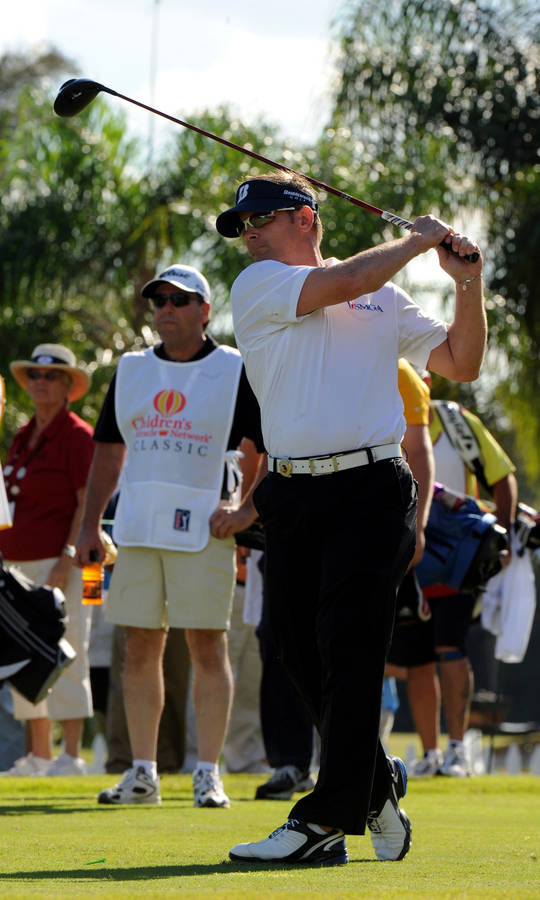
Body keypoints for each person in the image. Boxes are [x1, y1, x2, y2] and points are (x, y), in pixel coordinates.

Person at [215, 171, 485, 865]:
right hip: (295, 492)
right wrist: (419, 240)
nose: (248, 236)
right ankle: (373, 780)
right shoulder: (258, 286)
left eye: (260, 221)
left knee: (351, 647)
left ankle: (325, 819)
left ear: (305, 218)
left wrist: (465, 283)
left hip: (372, 489)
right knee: (292, 646)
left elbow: (461, 361)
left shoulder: (383, 297)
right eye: (242, 227)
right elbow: (337, 287)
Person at [75, 263, 265, 808]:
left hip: (206, 527)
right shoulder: (132, 370)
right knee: (138, 647)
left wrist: (245, 507)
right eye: (159, 300)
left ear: (205, 311)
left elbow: (265, 445)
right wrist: (91, 525)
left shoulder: (233, 368)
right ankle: (142, 773)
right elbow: (109, 451)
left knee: (207, 645)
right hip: (137, 527)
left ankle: (208, 772)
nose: (167, 309)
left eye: (180, 301)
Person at [389, 380, 517, 777]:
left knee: (451, 647)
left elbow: (502, 477)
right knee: (417, 659)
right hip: (409, 558)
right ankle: (430, 754)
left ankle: (458, 750)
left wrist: (506, 537)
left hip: (459, 557)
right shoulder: (385, 418)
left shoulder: (457, 421)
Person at [0, 344, 94, 776]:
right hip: (15, 564)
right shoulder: (23, 435)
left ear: (68, 386)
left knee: (67, 648)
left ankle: (71, 755)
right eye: (35, 376)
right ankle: (39, 755)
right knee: (19, 655)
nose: (40, 383)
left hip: (62, 562)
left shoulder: (78, 436)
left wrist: (67, 556)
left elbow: (85, 503)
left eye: (51, 376)